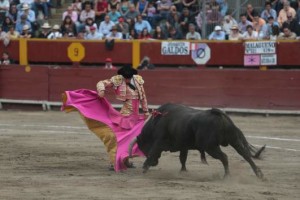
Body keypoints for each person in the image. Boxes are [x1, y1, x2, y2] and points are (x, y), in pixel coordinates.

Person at [62, 65, 149, 171]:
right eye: (125, 77)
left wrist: (145, 111)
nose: (127, 80)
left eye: (128, 77)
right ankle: (114, 162)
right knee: (116, 140)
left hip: (136, 118)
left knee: (133, 139)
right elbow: (101, 83)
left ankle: (126, 160)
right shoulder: (118, 80)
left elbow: (143, 98)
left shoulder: (138, 81)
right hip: (125, 117)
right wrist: (101, 91)